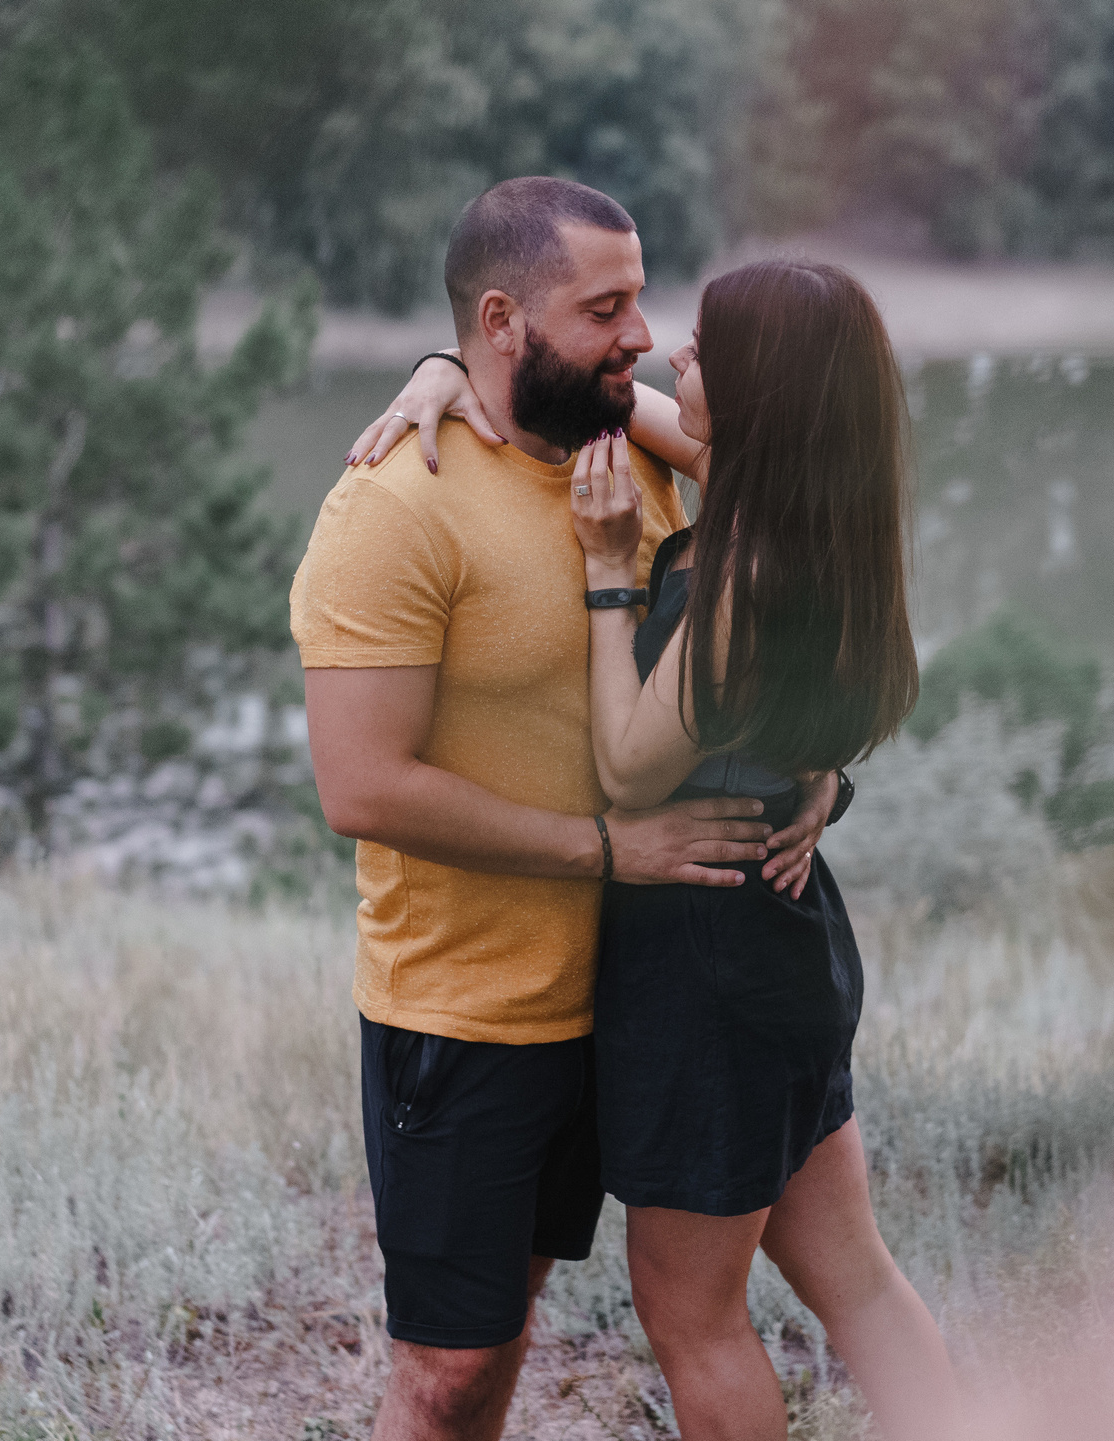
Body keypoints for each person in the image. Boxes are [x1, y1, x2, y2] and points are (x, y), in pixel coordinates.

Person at [357, 258, 962, 1441]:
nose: (667, 358)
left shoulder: (745, 563)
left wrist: (603, 572)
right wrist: (447, 364)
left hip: (705, 966)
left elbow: (633, 769)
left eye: (702, 351)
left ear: (757, 394)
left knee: (696, 1319)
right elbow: (595, 393)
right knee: (861, 1285)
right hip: (789, 945)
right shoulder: (808, 505)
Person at [290, 177, 836, 1441]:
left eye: (639, 300)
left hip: (645, 1000)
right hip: (473, 1011)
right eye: (606, 308)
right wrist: (606, 848)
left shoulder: (631, 445)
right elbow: (359, 785)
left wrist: (825, 760)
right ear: (503, 319)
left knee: (522, 1328)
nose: (640, 334)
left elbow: (818, 509)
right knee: (450, 1371)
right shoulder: (394, 509)